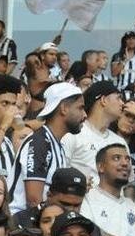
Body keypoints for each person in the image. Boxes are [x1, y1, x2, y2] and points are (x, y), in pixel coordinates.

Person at [9, 82, 85, 213]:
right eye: (80, 108)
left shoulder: (56, 145)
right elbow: (33, 200)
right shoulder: (39, 143)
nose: (85, 115)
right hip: (20, 224)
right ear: (64, 108)